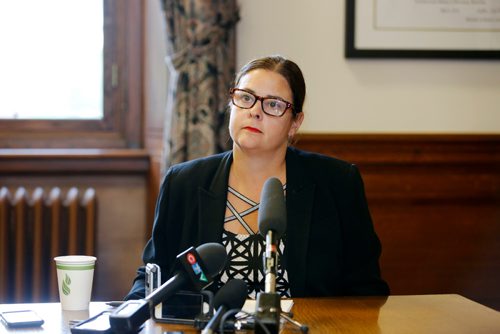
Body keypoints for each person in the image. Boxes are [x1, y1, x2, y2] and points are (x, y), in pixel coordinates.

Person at [125, 55, 389, 300]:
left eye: (273, 104)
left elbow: (366, 290)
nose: (255, 111)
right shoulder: (183, 183)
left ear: (295, 123)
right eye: (246, 97)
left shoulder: (338, 183)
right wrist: (126, 319)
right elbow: (152, 276)